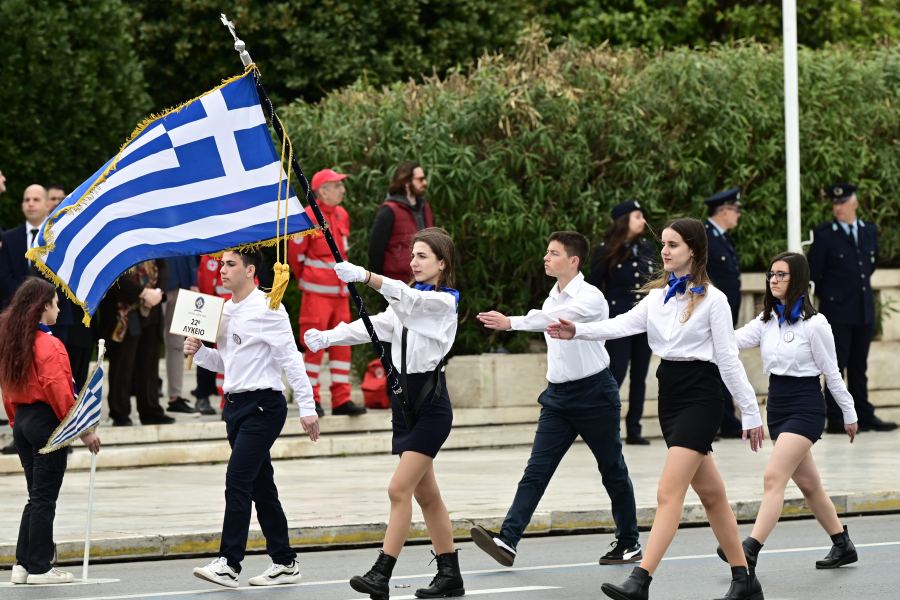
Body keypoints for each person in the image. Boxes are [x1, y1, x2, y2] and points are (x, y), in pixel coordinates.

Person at [549, 218, 765, 600]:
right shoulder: (658, 297)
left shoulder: (714, 300)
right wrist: (577, 330)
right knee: (712, 495)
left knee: (668, 492)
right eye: (663, 244)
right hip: (670, 396)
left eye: (673, 244)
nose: (664, 251)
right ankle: (744, 578)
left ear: (694, 250)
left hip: (701, 397)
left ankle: (641, 580)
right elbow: (619, 326)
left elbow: (729, 359)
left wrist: (750, 412)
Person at [305, 228, 464, 600]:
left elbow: (409, 302)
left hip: (430, 405)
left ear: (442, 263)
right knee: (427, 496)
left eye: (422, 256)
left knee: (398, 489)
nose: (414, 262)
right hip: (403, 406)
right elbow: (376, 325)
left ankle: (381, 574)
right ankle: (450, 575)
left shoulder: (444, 302)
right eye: (413, 255)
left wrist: (366, 276)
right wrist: (329, 337)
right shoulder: (405, 300)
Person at [473, 231, 641, 568]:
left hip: (595, 394)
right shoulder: (551, 299)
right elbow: (548, 315)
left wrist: (511, 322)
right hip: (558, 397)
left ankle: (629, 543)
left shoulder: (591, 298)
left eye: (553, 253)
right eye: (547, 252)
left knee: (612, 470)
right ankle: (508, 539)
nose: (546, 258)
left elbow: (555, 320)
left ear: (573, 261)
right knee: (536, 471)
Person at [711, 251, 859, 572]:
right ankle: (842, 544)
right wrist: (702, 332)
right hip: (777, 406)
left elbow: (832, 372)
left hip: (805, 406)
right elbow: (732, 341)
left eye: (781, 275)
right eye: (771, 274)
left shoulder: (815, 324)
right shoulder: (766, 320)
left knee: (773, 477)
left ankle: (749, 549)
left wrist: (849, 413)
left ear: (799, 279)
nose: (774, 280)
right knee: (810, 485)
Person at [185, 248, 318, 588]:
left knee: (237, 479)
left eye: (230, 264)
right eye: (221, 264)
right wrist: (200, 353)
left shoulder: (269, 308)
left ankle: (229, 563)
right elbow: (227, 363)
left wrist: (307, 407)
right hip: (234, 407)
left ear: (250, 271)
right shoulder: (223, 310)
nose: (222, 270)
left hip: (264, 406)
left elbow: (291, 359)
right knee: (261, 486)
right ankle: (285, 562)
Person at [0, 277, 101, 585]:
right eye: (56, 303)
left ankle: (23, 564)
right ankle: (40, 567)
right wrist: (84, 431)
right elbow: (61, 392)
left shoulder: (13, 341)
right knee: (44, 499)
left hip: (23, 420)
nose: (58, 309)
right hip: (47, 423)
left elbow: (7, 389)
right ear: (44, 305)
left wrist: (17, 423)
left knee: (36, 496)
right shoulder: (49, 343)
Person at [808, 183, 896, 433]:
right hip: (837, 311)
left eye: (843, 203)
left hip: (863, 308)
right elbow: (815, 273)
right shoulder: (825, 234)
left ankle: (863, 415)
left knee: (859, 366)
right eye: (835, 203)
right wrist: (832, 298)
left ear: (854, 203)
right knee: (836, 366)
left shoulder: (868, 230)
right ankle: (837, 418)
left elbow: (870, 265)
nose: (838, 208)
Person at [288, 168, 365, 417]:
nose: (343, 190)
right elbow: (296, 258)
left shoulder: (342, 214)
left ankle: (342, 400)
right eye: (337, 186)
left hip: (341, 296)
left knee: (343, 346)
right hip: (316, 296)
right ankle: (311, 400)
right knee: (314, 347)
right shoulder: (306, 217)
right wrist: (311, 281)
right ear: (323, 191)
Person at [590, 199, 655, 445]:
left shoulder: (647, 248)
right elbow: (594, 287)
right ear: (624, 220)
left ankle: (634, 429)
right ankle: (605, 425)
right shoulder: (606, 249)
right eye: (638, 216)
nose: (643, 221)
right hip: (618, 321)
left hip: (644, 321)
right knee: (616, 372)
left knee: (640, 375)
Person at [100, 259, 175, 426]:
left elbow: (163, 266)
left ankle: (150, 411)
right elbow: (113, 272)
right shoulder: (116, 243)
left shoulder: (153, 241)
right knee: (122, 364)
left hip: (152, 308)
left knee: (149, 363)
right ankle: (120, 413)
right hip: (123, 312)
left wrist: (157, 293)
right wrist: (143, 293)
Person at [703, 187, 745, 439]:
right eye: (736, 210)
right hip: (710, 315)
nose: (739, 215)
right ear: (724, 211)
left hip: (724, 315)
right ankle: (720, 421)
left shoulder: (723, 237)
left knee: (723, 364)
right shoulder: (706, 238)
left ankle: (726, 421)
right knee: (712, 368)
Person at [367, 162, 433, 282]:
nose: (425, 182)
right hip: (398, 282)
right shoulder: (389, 210)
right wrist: (386, 282)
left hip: (424, 280)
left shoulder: (424, 207)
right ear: (407, 182)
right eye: (420, 179)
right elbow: (375, 250)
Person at [162, 256, 207, 416]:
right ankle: (148, 399)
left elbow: (188, 249)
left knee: (176, 345)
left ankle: (175, 397)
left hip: (181, 285)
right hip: (157, 286)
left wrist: (193, 282)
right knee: (149, 344)